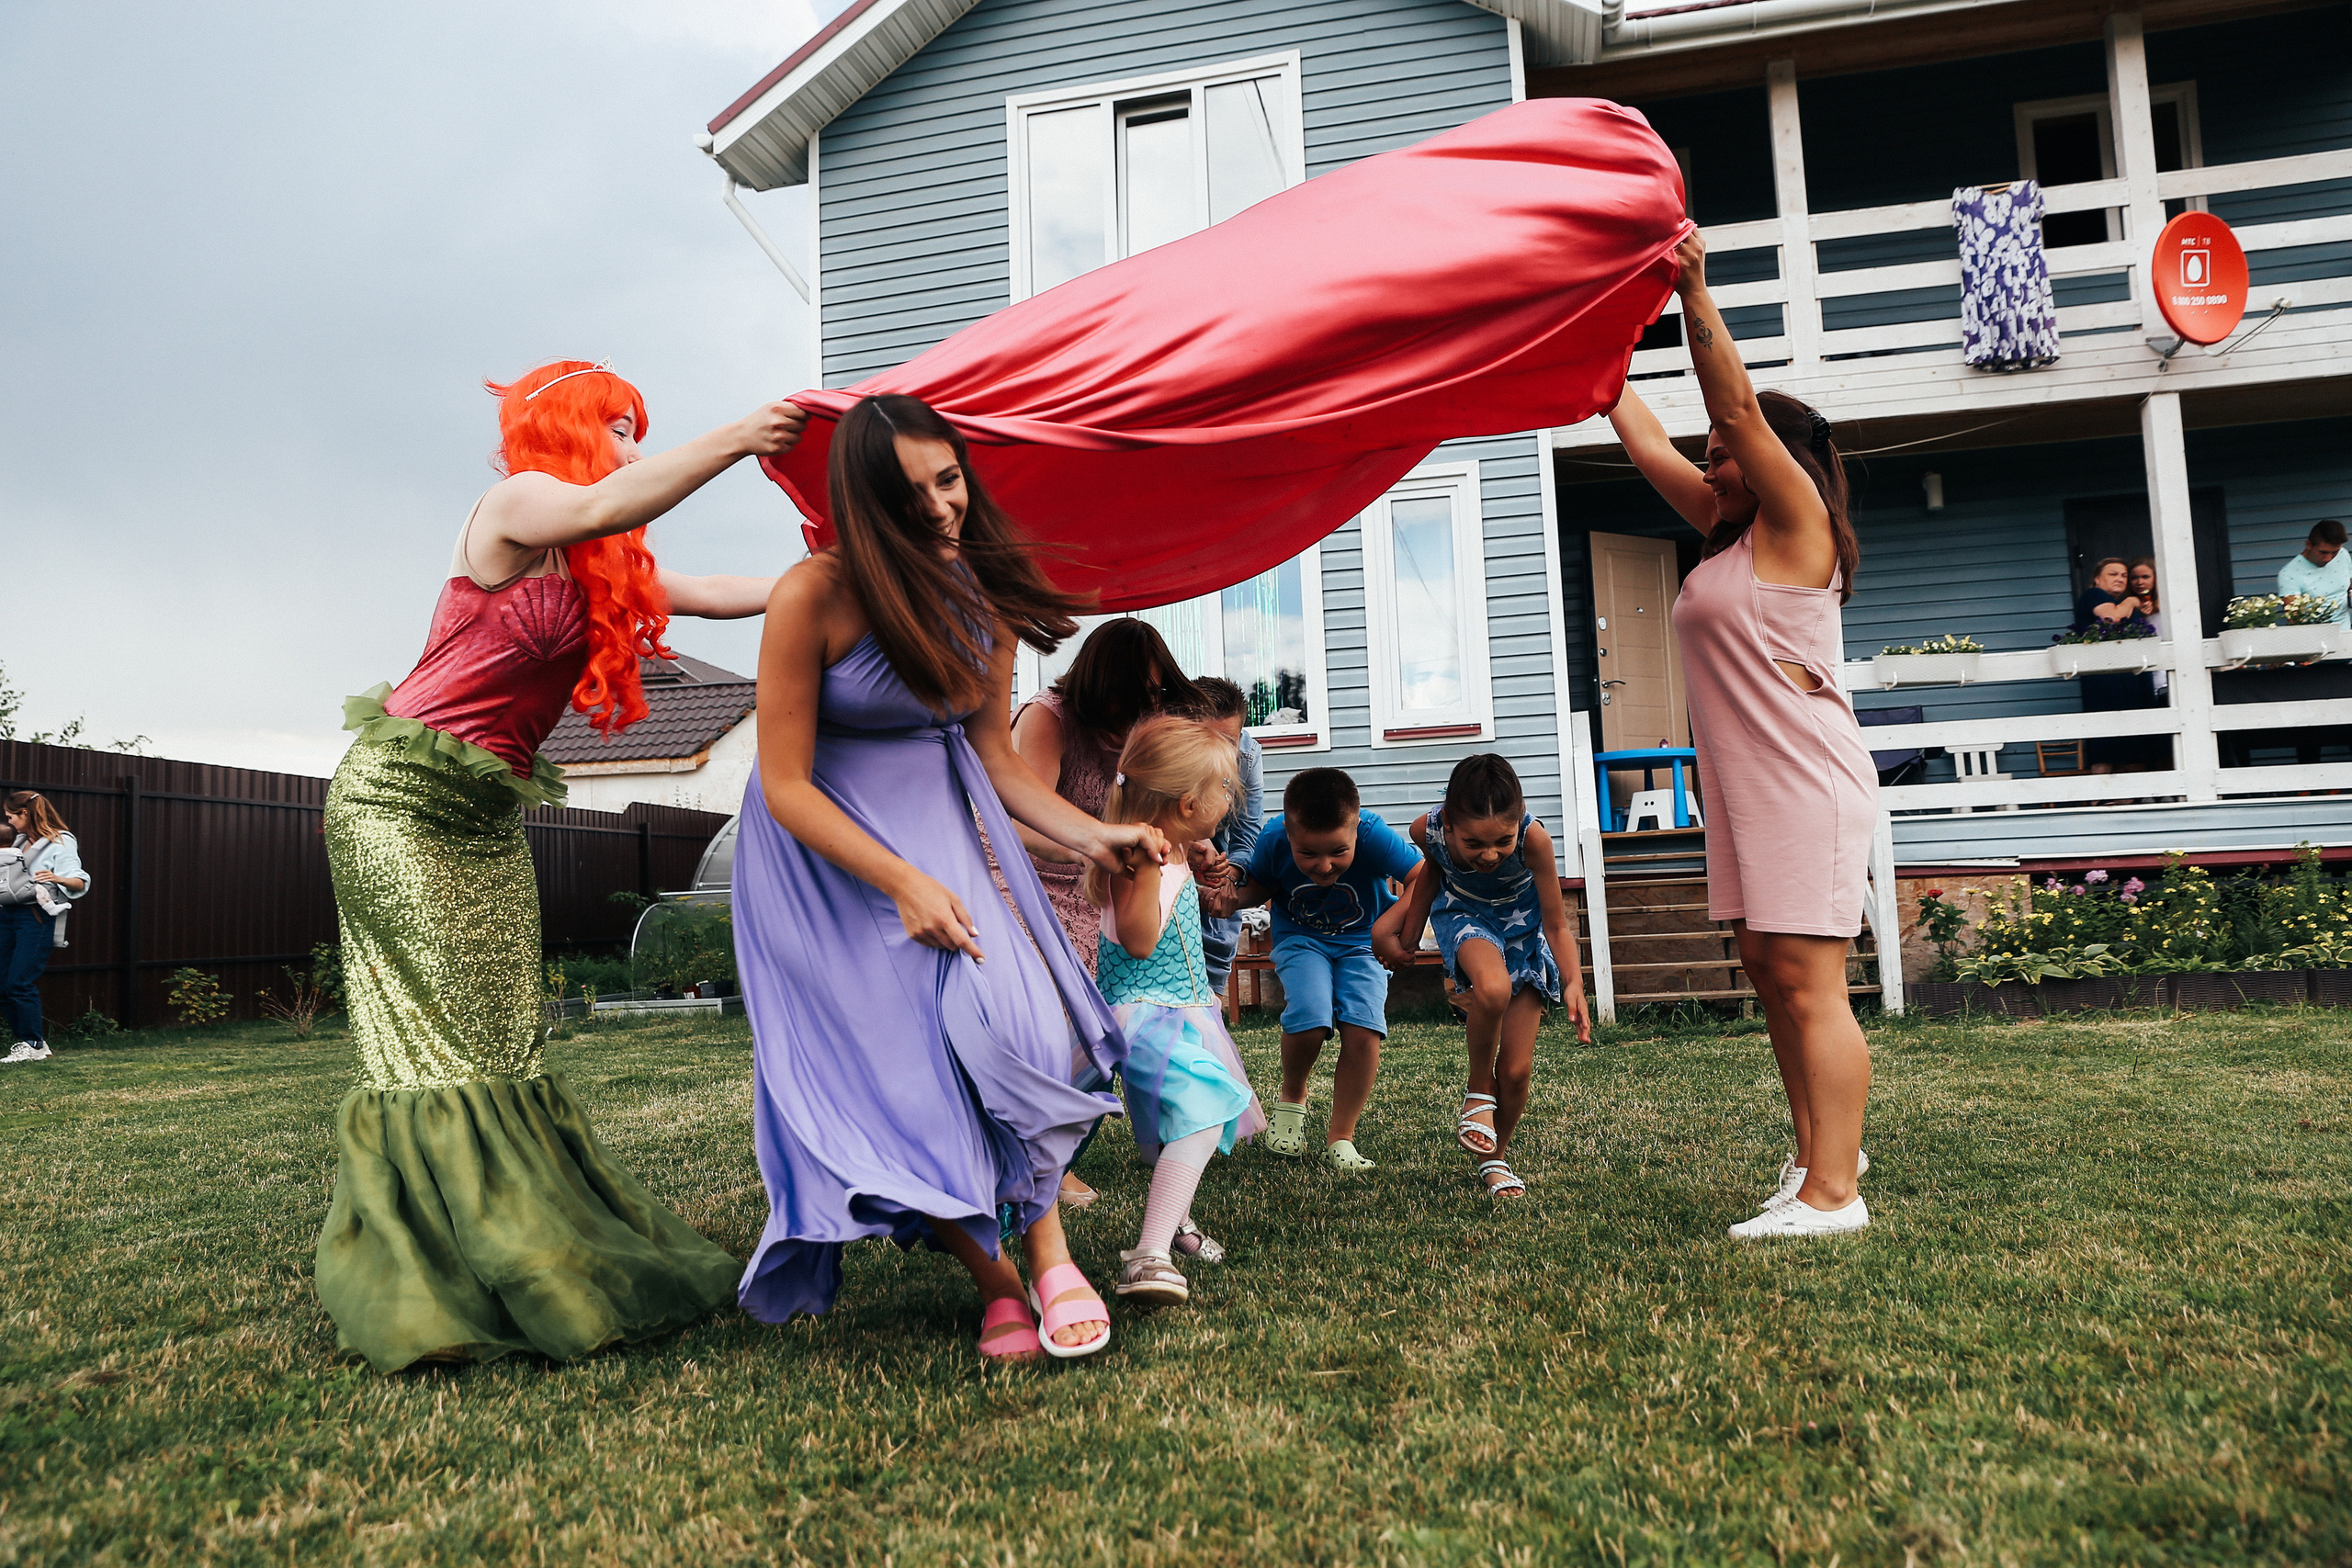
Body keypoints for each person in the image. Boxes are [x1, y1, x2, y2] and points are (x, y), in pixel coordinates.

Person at [314, 360, 804, 1372]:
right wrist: (742, 436)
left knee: (500, 1040)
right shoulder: (522, 502)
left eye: (638, 430)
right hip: (399, 801)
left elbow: (711, 592)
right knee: (435, 1047)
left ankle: (527, 1244)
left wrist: (832, 581)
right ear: (571, 429)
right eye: (618, 427)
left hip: (486, 818)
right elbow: (609, 497)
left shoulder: (594, 558)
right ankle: (442, 1272)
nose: (629, 447)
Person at [736, 393, 1169, 1363]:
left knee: (1012, 1026)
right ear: (861, 502)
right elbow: (784, 781)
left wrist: (1098, 836)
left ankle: (1042, 1250)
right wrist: (898, 882)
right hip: (824, 855)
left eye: (949, 480)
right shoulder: (811, 594)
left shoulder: (986, 596)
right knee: (906, 1070)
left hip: (935, 825)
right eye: (910, 493)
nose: (939, 507)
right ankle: (1010, 1280)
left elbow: (1002, 763)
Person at [1606, 229, 1877, 1240]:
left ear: (1776, 460)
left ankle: (1835, 1196)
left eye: (1725, 458)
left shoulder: (1796, 524)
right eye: (1712, 462)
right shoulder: (1724, 539)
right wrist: (1589, 359)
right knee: (1769, 970)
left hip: (1806, 784)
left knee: (1809, 982)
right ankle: (1813, 1158)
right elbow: (1642, 441)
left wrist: (1692, 291)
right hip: (1751, 791)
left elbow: (1732, 406)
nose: (1711, 468)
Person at [1086, 716, 1266, 1305]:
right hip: (1145, 1012)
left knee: (1182, 1124)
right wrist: (1152, 871)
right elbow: (1139, 941)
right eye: (1223, 792)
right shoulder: (1145, 860)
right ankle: (1149, 1254)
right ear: (1189, 804)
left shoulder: (1172, 849)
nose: (1228, 802)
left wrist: (1194, 856)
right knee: (1203, 1108)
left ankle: (1178, 1225)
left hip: (1179, 1009)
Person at [1371, 755, 1590, 1198]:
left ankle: (1494, 1157)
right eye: (1474, 844)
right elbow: (1433, 873)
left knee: (1516, 1071)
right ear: (1449, 823)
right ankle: (1476, 1093)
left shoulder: (1535, 840)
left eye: (1502, 842)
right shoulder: (1426, 830)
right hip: (1466, 919)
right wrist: (1410, 934)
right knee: (1493, 987)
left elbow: (1557, 924)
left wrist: (1573, 981)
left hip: (1525, 939)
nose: (1489, 855)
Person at [1227, 767, 1419, 1170]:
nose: (1325, 866)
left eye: (1338, 852)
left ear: (1355, 831)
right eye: (1309, 854)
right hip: (1301, 939)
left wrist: (1390, 929)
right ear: (1290, 836)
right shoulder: (1274, 836)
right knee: (1311, 1015)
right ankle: (1293, 1097)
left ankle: (1342, 1138)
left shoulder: (1372, 833)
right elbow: (1262, 884)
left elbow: (1421, 877)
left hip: (1363, 942)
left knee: (1365, 1027)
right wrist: (1228, 900)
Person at [1011, 619, 1202, 977]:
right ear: (1101, 684)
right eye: (1132, 694)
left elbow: (1151, 812)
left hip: (1097, 880)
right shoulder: (1049, 717)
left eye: (1153, 693)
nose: (1144, 706)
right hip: (1023, 876)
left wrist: (1188, 842)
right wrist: (1087, 849)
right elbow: (1023, 824)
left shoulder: (1145, 728)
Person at [1189, 676, 1264, 998]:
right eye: (1210, 739)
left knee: (1214, 957)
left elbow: (1248, 831)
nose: (1222, 752)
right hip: (1165, 857)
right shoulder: (1161, 750)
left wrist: (1228, 874)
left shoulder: (1248, 756)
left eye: (1229, 741)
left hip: (1215, 858)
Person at [1, 792, 88, 1064]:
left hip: (35, 917)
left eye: (11, 816)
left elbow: (80, 881)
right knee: (2, 983)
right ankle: (28, 1044)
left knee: (19, 982)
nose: (9, 821)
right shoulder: (18, 841)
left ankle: (33, 1043)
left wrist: (57, 877)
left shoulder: (60, 841)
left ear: (25, 814)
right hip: (8, 915)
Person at [2073, 558, 2160, 773]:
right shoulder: (2095, 595)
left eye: (2123, 575)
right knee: (2107, 741)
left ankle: (2131, 798)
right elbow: (2112, 617)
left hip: (2129, 679)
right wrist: (2132, 601)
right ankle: (2105, 799)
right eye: (2113, 574)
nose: (2120, 578)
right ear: (2096, 578)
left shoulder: (2120, 602)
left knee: (2133, 741)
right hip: (2106, 680)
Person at [2278, 520, 2350, 623]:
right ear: (2309, 544)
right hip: (2314, 635)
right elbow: (2294, 619)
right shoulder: (2288, 574)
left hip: (2346, 632)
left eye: (2335, 552)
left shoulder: (2343, 554)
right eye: (2323, 552)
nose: (2329, 558)